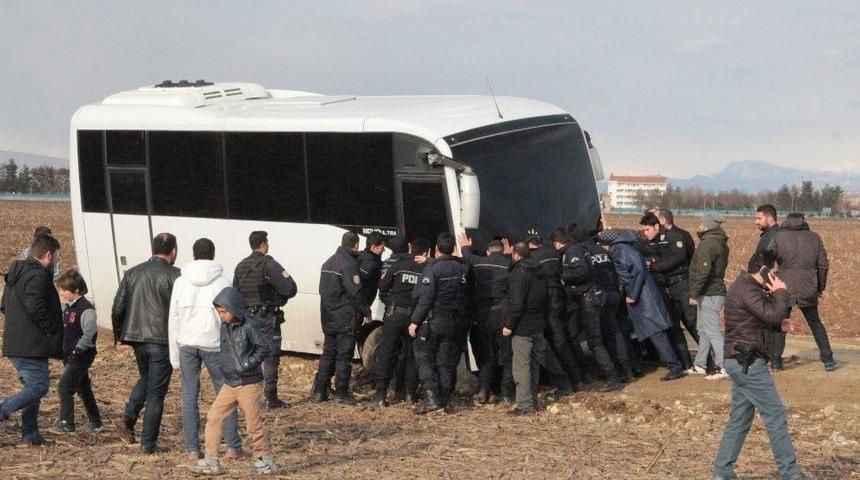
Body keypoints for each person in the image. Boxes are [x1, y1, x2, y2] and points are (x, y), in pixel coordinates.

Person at [712, 253, 809, 480]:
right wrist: (781, 292)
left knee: (740, 418)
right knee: (775, 414)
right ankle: (791, 473)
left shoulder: (748, 288)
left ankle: (722, 472)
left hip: (741, 360)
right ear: (764, 270)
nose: (776, 277)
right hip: (747, 363)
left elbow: (759, 320)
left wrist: (781, 326)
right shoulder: (747, 289)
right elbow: (773, 314)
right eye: (774, 272)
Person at [168, 238, 243, 461]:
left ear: (193, 255)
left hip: (187, 344)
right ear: (213, 254)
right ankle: (232, 446)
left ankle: (192, 449)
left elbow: (173, 318)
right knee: (226, 394)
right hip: (215, 344)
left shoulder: (181, 282)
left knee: (189, 395)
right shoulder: (222, 281)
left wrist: (174, 355)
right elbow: (232, 318)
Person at [191, 287, 279, 475]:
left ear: (234, 308)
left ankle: (264, 460)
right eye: (219, 312)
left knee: (253, 424)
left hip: (249, 384)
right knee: (214, 417)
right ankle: (211, 459)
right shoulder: (225, 326)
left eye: (224, 312)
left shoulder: (250, 325)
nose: (221, 316)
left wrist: (246, 363)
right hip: (230, 383)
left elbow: (264, 347)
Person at [112, 233, 181, 453]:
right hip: (162, 339)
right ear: (174, 251)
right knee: (156, 394)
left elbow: (118, 307)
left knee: (147, 379)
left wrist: (119, 334)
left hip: (137, 338)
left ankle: (128, 420)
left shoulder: (132, 273)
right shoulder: (176, 275)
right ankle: (148, 444)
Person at [0, 234, 63, 445]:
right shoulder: (36, 276)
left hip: (19, 342)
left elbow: (3, 306)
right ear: (48, 254)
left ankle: (30, 434)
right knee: (38, 387)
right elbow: (35, 306)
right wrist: (49, 329)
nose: (54, 263)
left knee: (31, 388)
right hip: (31, 344)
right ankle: (3, 411)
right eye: (54, 258)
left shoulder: (16, 274)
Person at [598, 229, 685, 381]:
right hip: (643, 296)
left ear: (607, 243)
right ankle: (659, 365)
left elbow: (637, 271)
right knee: (648, 332)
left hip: (643, 298)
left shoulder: (619, 250)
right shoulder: (625, 247)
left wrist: (633, 294)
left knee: (655, 332)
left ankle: (675, 366)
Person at [233, 231, 298, 409]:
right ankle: (271, 398)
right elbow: (291, 288)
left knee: (250, 356)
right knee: (270, 356)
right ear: (263, 245)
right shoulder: (268, 265)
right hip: (266, 317)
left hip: (247, 318)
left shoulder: (240, 266)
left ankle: (247, 397)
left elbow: (235, 293)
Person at [767, 213, 836, 372]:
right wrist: (820, 287)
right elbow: (823, 265)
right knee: (815, 323)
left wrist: (772, 280)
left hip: (784, 287)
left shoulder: (778, 237)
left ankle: (776, 362)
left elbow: (767, 258)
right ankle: (828, 359)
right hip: (808, 287)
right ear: (804, 221)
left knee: (781, 322)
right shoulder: (814, 238)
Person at [408, 232, 467, 414]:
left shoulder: (432, 270)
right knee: (445, 361)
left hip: (433, 321)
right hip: (452, 321)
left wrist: (414, 321)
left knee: (423, 358)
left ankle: (431, 398)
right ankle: (444, 398)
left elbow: (425, 298)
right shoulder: (460, 269)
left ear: (435, 249)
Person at [561, 225, 625, 391]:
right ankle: (626, 370)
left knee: (595, 341)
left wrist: (564, 278)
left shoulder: (578, 251)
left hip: (591, 299)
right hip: (609, 295)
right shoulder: (600, 250)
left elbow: (580, 274)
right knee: (613, 334)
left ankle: (612, 377)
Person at [312, 232, 371, 404]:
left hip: (328, 316)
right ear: (356, 245)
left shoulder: (327, 263)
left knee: (328, 354)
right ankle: (341, 393)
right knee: (344, 357)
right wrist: (366, 311)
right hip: (345, 317)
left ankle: (319, 391)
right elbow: (355, 293)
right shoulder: (349, 265)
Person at [459, 235, 515, 404]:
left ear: (488, 252)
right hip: (502, 316)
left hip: (482, 317)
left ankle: (483, 391)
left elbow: (467, 257)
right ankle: (506, 394)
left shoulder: (479, 262)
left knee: (486, 356)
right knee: (507, 356)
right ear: (502, 250)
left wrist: (466, 247)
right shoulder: (510, 265)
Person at [374, 237, 429, 407]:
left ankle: (381, 395)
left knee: (386, 353)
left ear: (410, 249)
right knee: (411, 355)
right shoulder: (427, 269)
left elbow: (382, 286)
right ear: (426, 253)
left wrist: (392, 301)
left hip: (394, 314)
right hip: (415, 318)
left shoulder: (397, 266)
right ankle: (410, 395)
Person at [639, 212, 698, 371]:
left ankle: (711, 363)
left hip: (682, 286)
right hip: (667, 288)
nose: (645, 233)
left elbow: (676, 259)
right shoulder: (651, 242)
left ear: (656, 226)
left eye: (647, 230)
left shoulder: (675, 237)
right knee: (674, 328)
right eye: (643, 230)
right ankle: (686, 363)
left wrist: (655, 265)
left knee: (692, 324)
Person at [529, 231, 583, 393]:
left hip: (549, 302)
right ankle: (580, 376)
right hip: (563, 299)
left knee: (558, 342)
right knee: (567, 339)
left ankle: (573, 381)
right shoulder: (554, 252)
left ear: (530, 245)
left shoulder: (533, 258)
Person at [503, 242, 550, 415]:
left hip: (522, 326)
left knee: (521, 367)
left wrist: (509, 325)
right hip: (538, 323)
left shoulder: (519, 273)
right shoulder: (540, 270)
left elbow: (517, 304)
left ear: (515, 255)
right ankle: (533, 402)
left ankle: (525, 405)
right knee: (534, 364)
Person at [53, 270, 102, 433]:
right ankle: (95, 419)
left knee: (64, 388)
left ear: (76, 290)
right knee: (83, 387)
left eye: (64, 290)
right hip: (71, 355)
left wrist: (78, 348)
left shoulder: (86, 309)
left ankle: (67, 423)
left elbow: (90, 332)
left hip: (81, 355)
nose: (61, 293)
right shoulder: (68, 308)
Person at [688, 215, 730, 380]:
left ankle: (723, 366)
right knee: (703, 330)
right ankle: (700, 364)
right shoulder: (716, 241)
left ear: (707, 226)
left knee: (712, 331)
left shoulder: (709, 244)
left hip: (710, 293)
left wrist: (694, 293)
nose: (698, 226)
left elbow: (703, 271)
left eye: (701, 223)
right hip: (710, 293)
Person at [357, 232, 386, 307]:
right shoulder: (375, 266)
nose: (384, 250)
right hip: (362, 306)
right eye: (382, 247)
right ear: (373, 247)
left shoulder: (358, 256)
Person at [748, 204, 780, 272]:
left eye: (759, 218)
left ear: (770, 219)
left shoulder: (774, 236)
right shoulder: (768, 234)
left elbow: (765, 264)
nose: (756, 222)